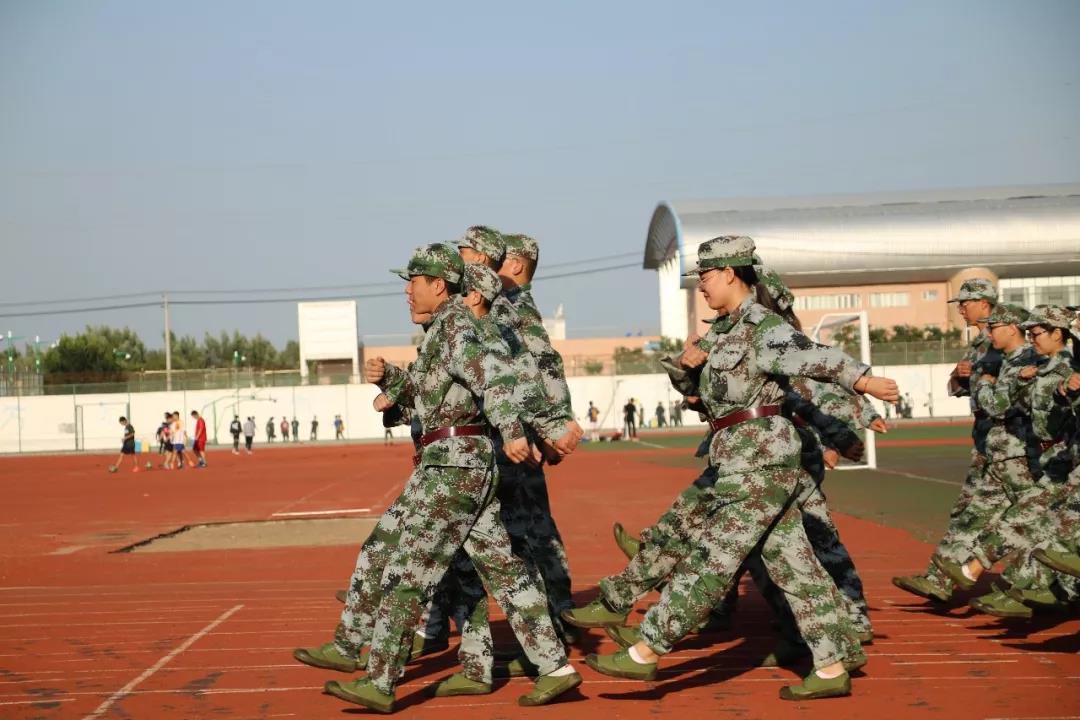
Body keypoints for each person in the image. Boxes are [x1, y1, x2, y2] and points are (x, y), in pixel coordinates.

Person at [567, 236, 899, 701]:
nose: (700, 285)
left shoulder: (764, 327)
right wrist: (686, 367)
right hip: (738, 458)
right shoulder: (723, 332)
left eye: (705, 276)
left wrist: (863, 380)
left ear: (729, 273)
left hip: (760, 461)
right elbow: (704, 394)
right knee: (794, 567)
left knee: (713, 558)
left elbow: (813, 356)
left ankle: (646, 650)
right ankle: (833, 663)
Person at [319, 243, 580, 711]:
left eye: (414, 282)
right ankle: (556, 668)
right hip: (455, 461)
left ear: (438, 285)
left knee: (408, 570)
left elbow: (493, 379)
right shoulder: (445, 329)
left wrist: (514, 430)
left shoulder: (456, 327)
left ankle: (379, 680)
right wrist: (390, 378)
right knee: (505, 569)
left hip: (454, 465)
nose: (407, 291)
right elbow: (432, 392)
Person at [893, 278, 1002, 602]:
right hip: (986, 441)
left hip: (1009, 442)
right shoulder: (979, 344)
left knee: (1019, 517)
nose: (961, 310)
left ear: (984, 303)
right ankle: (939, 578)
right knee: (969, 512)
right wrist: (959, 375)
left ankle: (1044, 586)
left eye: (965, 304)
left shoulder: (1005, 340)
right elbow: (956, 387)